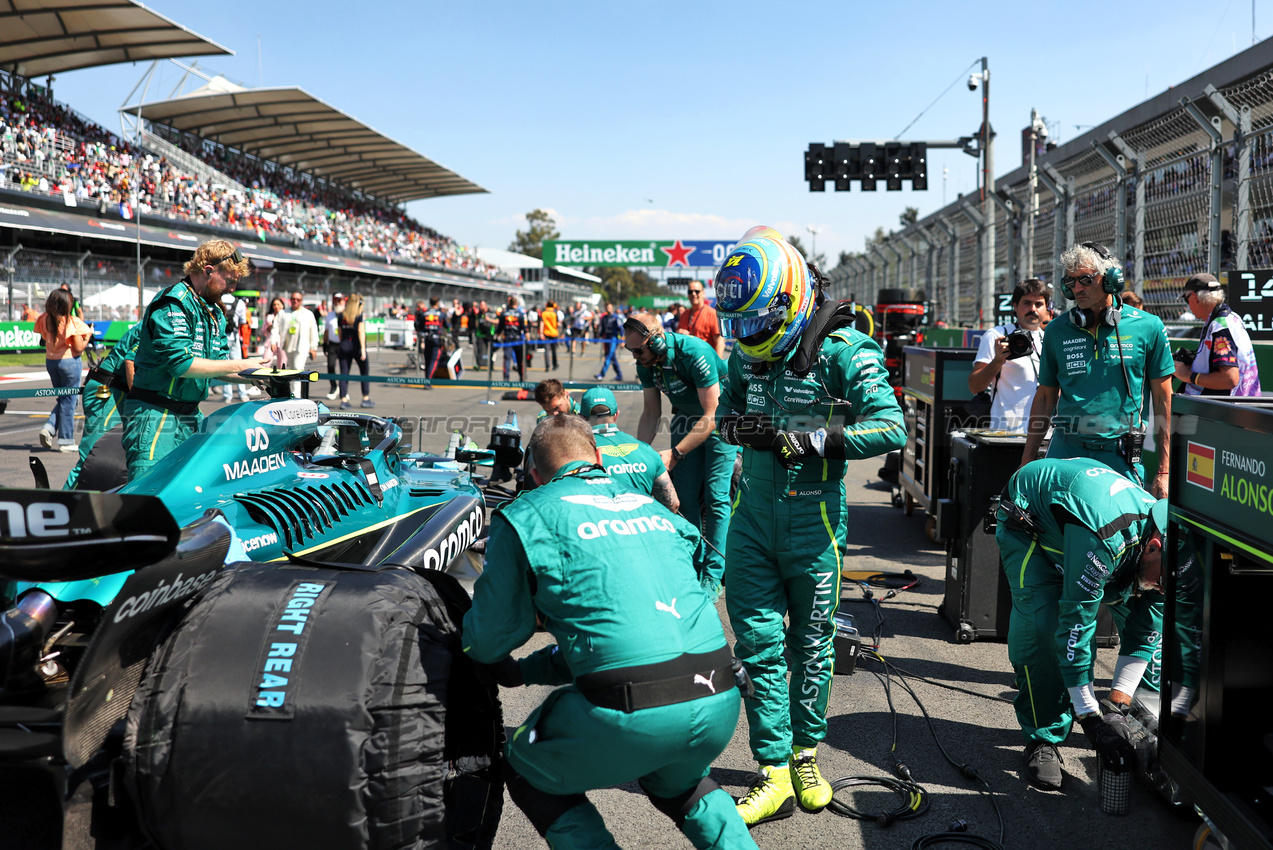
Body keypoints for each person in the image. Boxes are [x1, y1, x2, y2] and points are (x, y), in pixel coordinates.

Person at [461, 415, 757, 850]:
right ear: (598, 458)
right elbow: (620, 638)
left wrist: (496, 662)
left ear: (534, 474)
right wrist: (527, 673)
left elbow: (487, 639)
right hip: (719, 696)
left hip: (633, 713)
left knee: (526, 765)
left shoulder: (525, 515)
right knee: (682, 786)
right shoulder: (657, 510)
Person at [712, 228, 906, 825]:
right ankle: (771, 771)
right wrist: (736, 427)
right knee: (760, 647)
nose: (746, 340)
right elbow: (726, 415)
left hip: (814, 522)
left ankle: (806, 756)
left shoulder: (844, 351)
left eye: (755, 324)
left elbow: (892, 428)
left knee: (812, 646)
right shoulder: (746, 348)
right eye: (737, 327)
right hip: (751, 522)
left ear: (792, 300)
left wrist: (808, 439)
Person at [996, 457, 1170, 790]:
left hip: (1092, 533)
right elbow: (1076, 627)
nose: (1164, 589)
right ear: (1153, 547)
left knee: (1147, 615)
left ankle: (1124, 713)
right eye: (1163, 581)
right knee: (1045, 629)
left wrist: (1116, 705)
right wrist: (1091, 719)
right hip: (1034, 523)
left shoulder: (1165, 557)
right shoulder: (1105, 535)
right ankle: (1042, 738)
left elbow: (1147, 629)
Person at [1020, 243, 1174, 496]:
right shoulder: (1057, 330)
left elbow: (1163, 399)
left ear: (1111, 280)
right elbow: (1046, 397)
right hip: (1066, 450)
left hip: (1120, 457)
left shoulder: (1148, 326)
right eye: (1070, 282)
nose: (1076, 289)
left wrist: (1164, 471)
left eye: (1085, 280)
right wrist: (1025, 464)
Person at [122, 241, 266, 479]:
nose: (232, 289)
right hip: (156, 414)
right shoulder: (173, 303)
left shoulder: (214, 311)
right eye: (230, 281)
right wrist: (240, 364)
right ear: (208, 271)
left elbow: (217, 365)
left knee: (190, 493)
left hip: (190, 416)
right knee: (151, 496)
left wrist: (254, 375)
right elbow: (180, 364)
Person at [627, 312, 733, 597]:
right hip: (685, 419)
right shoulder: (646, 363)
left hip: (720, 420)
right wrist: (637, 455)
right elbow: (651, 413)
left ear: (657, 341)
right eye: (630, 351)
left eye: (638, 350)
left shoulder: (695, 352)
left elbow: (711, 414)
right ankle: (693, 564)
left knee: (715, 496)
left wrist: (675, 454)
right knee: (683, 496)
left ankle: (713, 573)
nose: (635, 356)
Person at [967, 279, 1050, 432]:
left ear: (1046, 308)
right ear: (1015, 306)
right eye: (1026, 303)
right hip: (1005, 433)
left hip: (1044, 434)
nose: (1033, 309)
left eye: (1038, 304)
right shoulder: (997, 335)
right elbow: (974, 386)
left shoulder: (1050, 339)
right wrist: (998, 361)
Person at [66, 322, 140, 488]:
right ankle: (60, 508)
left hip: (116, 390)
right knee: (90, 460)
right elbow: (131, 360)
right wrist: (139, 399)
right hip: (107, 391)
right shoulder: (161, 319)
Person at [582, 386, 679, 512]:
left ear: (581, 418)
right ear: (616, 415)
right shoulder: (646, 449)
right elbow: (673, 504)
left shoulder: (577, 454)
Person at [1173, 272, 1262, 397]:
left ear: (1194, 297)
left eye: (1186, 299)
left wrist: (1188, 376)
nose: (1188, 305)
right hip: (1239, 405)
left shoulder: (1220, 326)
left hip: (1228, 411)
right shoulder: (1228, 317)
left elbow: (1229, 379)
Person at [34, 288, 92, 453]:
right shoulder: (70, 322)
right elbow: (79, 348)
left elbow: (44, 337)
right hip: (69, 363)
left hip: (51, 361)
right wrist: (88, 335)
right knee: (69, 401)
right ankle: (66, 440)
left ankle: (50, 427)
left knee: (64, 399)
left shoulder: (44, 318)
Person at [338, 292, 373, 409]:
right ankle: (365, 398)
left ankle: (343, 399)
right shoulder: (360, 315)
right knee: (364, 372)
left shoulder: (342, 315)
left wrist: (342, 343)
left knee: (344, 373)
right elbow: (361, 331)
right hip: (356, 345)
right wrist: (363, 349)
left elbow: (340, 333)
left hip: (344, 344)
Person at [282, 291, 319, 398]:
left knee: (298, 368)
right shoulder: (284, 313)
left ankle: (296, 394)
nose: (295, 301)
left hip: (302, 347)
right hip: (289, 346)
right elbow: (277, 328)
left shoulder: (308, 314)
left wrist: (313, 347)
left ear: (301, 301)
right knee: (292, 370)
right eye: (293, 299)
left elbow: (313, 331)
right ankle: (292, 392)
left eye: (298, 299)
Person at [678, 282, 726, 358]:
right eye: (690, 292)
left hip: (706, 362)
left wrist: (717, 365)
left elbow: (720, 342)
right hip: (686, 362)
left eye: (697, 291)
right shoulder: (684, 314)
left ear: (703, 293)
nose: (693, 294)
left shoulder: (712, 314)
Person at [219, 293, 251, 404]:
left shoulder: (218, 299)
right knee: (238, 366)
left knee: (224, 366)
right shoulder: (240, 303)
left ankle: (227, 395)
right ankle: (243, 394)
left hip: (220, 337)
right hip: (234, 337)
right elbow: (243, 322)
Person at [498, 295, 527, 382]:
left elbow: (500, 327)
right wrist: (527, 337)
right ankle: (522, 377)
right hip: (518, 339)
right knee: (520, 359)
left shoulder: (504, 313)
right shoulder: (520, 314)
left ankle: (506, 378)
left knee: (507, 359)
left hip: (507, 339)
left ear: (509, 303)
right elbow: (524, 327)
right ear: (517, 304)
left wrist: (497, 335)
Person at [417, 296, 447, 379]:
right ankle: (428, 381)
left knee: (427, 360)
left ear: (429, 303)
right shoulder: (441, 313)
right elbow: (448, 325)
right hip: (437, 340)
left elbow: (418, 326)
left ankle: (427, 378)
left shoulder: (424, 313)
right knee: (434, 361)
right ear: (437, 303)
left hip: (426, 339)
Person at [323, 293, 345, 399]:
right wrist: (324, 343)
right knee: (331, 366)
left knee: (344, 368)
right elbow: (326, 330)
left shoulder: (346, 314)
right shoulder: (330, 315)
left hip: (343, 344)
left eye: (339, 301)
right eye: (335, 301)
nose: (337, 303)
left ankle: (344, 389)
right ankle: (333, 387)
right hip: (332, 345)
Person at [594, 302, 624, 381]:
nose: (608, 309)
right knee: (612, 357)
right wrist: (597, 338)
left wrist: (622, 340)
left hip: (613, 338)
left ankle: (601, 374)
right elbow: (602, 330)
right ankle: (619, 375)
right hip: (606, 338)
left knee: (609, 356)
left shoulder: (616, 318)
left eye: (609, 307)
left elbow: (621, 329)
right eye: (607, 308)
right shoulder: (604, 318)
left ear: (612, 308)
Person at [261, 295, 288, 369]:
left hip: (282, 342)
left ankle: (281, 379)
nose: (276, 307)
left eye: (278, 304)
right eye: (274, 305)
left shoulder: (286, 316)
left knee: (282, 364)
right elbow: (263, 330)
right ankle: (264, 378)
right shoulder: (269, 316)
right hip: (270, 341)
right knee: (266, 362)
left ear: (282, 305)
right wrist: (268, 327)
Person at [474, 300, 497, 369]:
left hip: (489, 334)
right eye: (480, 305)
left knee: (490, 351)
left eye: (483, 305)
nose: (481, 306)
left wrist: (489, 320)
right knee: (480, 350)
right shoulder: (479, 314)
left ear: (486, 305)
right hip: (480, 334)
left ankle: (491, 365)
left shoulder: (491, 313)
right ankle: (479, 365)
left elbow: (497, 321)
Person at [540, 300, 562, 370]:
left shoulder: (543, 313)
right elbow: (558, 324)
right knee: (554, 350)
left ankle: (547, 366)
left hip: (546, 333)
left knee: (546, 350)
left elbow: (542, 323)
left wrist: (541, 333)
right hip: (554, 333)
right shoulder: (554, 313)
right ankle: (555, 365)